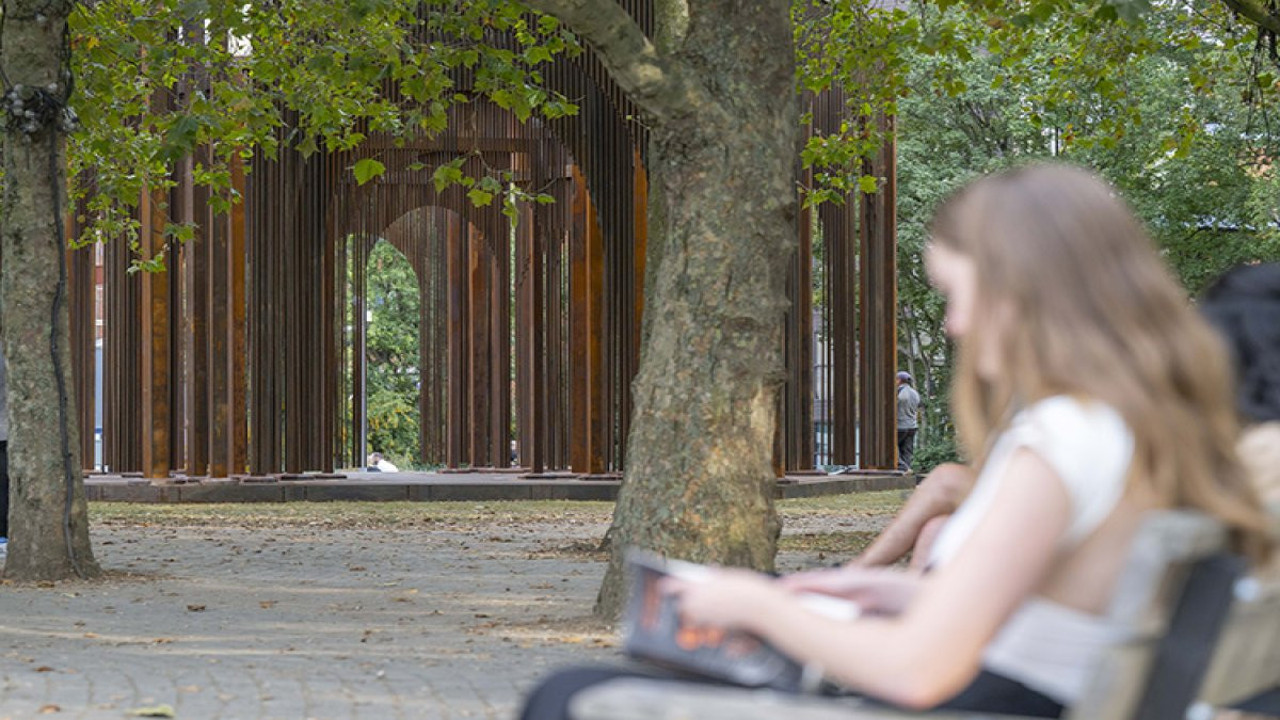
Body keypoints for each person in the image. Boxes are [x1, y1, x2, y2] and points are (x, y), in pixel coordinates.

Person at [518, 164, 1273, 719]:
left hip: (984, 706)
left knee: (569, 698)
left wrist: (758, 603)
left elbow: (918, 674)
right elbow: (1057, 610)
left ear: (1020, 291)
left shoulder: (1063, 435)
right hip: (1036, 697)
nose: (954, 324)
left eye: (957, 294)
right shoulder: (1142, 425)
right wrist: (884, 589)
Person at [896, 371, 921, 472]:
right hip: (912, 426)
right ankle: (906, 470)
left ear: (899, 380)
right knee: (907, 450)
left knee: (892, 446)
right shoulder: (915, 393)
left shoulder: (899, 392)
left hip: (900, 425)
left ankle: (902, 467)